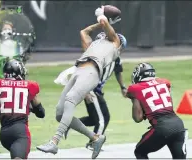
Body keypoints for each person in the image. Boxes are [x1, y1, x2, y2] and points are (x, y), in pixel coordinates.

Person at [36, 6, 125, 159]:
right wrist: (100, 23)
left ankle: (54, 142)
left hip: (92, 71)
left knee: (71, 99)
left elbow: (106, 26)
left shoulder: (115, 43)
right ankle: (95, 138)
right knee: (60, 112)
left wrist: (102, 17)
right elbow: (84, 32)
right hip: (78, 70)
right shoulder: (95, 45)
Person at [62, 33, 127, 151]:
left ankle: (70, 124)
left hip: (97, 90)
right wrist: (86, 91)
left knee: (94, 119)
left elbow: (118, 72)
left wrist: (122, 87)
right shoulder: (95, 57)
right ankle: (94, 142)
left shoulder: (115, 58)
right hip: (90, 89)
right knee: (102, 119)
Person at [126, 62, 187, 159]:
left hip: (162, 127)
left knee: (140, 151)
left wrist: (134, 100)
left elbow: (138, 118)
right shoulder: (164, 82)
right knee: (179, 157)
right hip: (178, 124)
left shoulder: (135, 89)